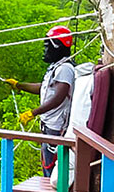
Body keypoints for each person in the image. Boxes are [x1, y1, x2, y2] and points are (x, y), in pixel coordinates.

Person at [5, 25, 75, 176]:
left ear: (57, 46)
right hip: (48, 126)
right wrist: (19, 85)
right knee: (47, 166)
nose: (45, 51)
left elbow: (58, 97)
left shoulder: (65, 69)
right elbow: (44, 88)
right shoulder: (55, 67)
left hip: (56, 128)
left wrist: (33, 113)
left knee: (53, 169)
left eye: (48, 46)